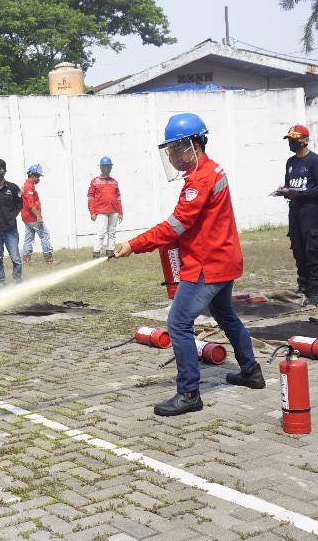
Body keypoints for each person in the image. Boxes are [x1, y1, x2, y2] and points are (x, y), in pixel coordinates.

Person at [114, 112, 264, 416]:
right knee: (225, 315)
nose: (171, 155)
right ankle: (251, 371)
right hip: (223, 259)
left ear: (192, 145)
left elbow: (175, 226)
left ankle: (189, 393)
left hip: (207, 265)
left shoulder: (201, 179)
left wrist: (134, 244)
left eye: (174, 148)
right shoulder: (211, 170)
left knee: (178, 324)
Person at [274, 123, 318, 308]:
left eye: (294, 139)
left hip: (310, 210)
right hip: (295, 210)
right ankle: (304, 286)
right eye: (289, 140)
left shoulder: (314, 161)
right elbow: (289, 184)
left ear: (305, 140)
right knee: (298, 248)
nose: (291, 143)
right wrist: (283, 191)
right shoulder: (291, 162)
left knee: (312, 249)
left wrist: (301, 194)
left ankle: (315, 291)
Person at [88, 156, 123, 258]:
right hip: (101, 211)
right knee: (102, 232)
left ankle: (110, 253)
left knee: (112, 232)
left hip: (114, 211)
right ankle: (96, 253)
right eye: (105, 167)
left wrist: (120, 212)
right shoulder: (95, 181)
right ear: (101, 168)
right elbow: (90, 198)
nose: (107, 169)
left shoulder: (114, 182)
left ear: (111, 168)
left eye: (108, 167)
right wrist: (92, 212)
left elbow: (118, 197)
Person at [21, 164, 54, 265]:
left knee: (29, 237)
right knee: (44, 235)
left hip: (26, 217)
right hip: (32, 217)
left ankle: (26, 258)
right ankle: (48, 257)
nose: (39, 178)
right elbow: (31, 205)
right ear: (33, 175)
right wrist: (38, 216)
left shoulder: (26, 185)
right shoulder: (29, 187)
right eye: (38, 176)